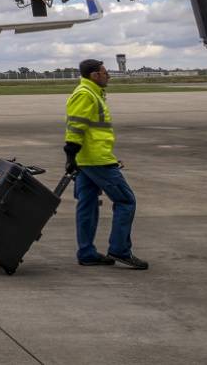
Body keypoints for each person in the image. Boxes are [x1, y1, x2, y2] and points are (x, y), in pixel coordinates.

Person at [64, 58, 149, 270]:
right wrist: (70, 155)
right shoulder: (86, 94)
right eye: (105, 72)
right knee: (126, 201)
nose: (108, 75)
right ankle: (119, 249)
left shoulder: (92, 93)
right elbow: (76, 127)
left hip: (89, 159)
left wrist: (75, 158)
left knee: (88, 204)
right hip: (96, 160)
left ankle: (87, 253)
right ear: (94, 75)